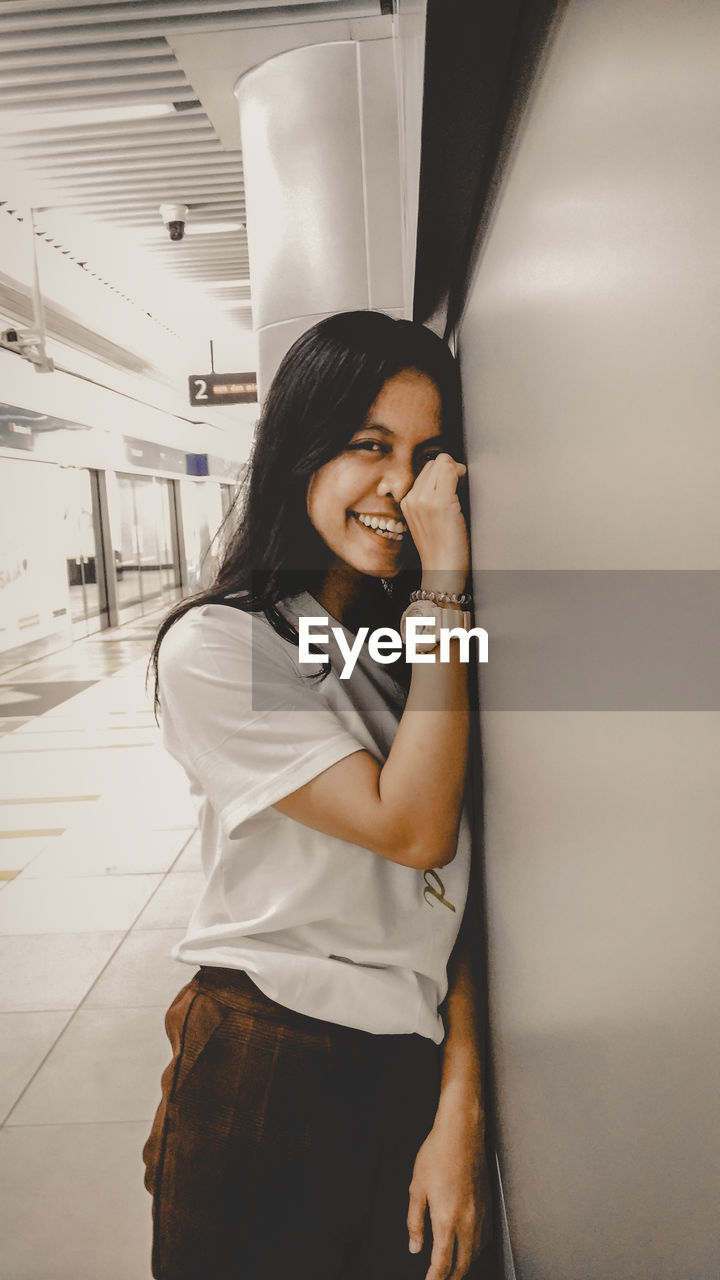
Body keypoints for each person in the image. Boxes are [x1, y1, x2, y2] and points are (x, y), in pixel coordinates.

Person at [143, 310, 492, 1280]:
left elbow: (460, 903)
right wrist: (448, 584)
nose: (399, 485)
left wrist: (459, 1098)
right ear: (299, 449)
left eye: (426, 454)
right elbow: (415, 829)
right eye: (367, 445)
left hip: (404, 1066)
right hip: (267, 1060)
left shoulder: (405, 653)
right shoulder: (220, 645)